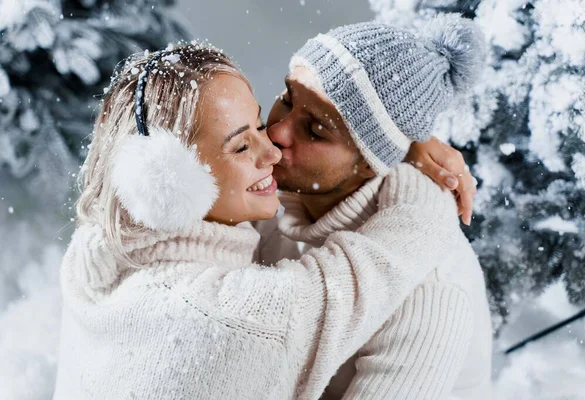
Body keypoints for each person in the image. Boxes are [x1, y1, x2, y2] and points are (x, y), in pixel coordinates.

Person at [52, 40, 465, 399]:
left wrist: (388, 139)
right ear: (166, 177)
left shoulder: (99, 254)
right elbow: (358, 276)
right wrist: (420, 178)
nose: (273, 145)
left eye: (259, 123)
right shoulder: (234, 317)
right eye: (240, 145)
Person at [257, 15, 494, 399]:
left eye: (316, 129)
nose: (278, 131)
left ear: (369, 163)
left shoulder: (430, 291)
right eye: (287, 99)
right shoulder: (277, 192)